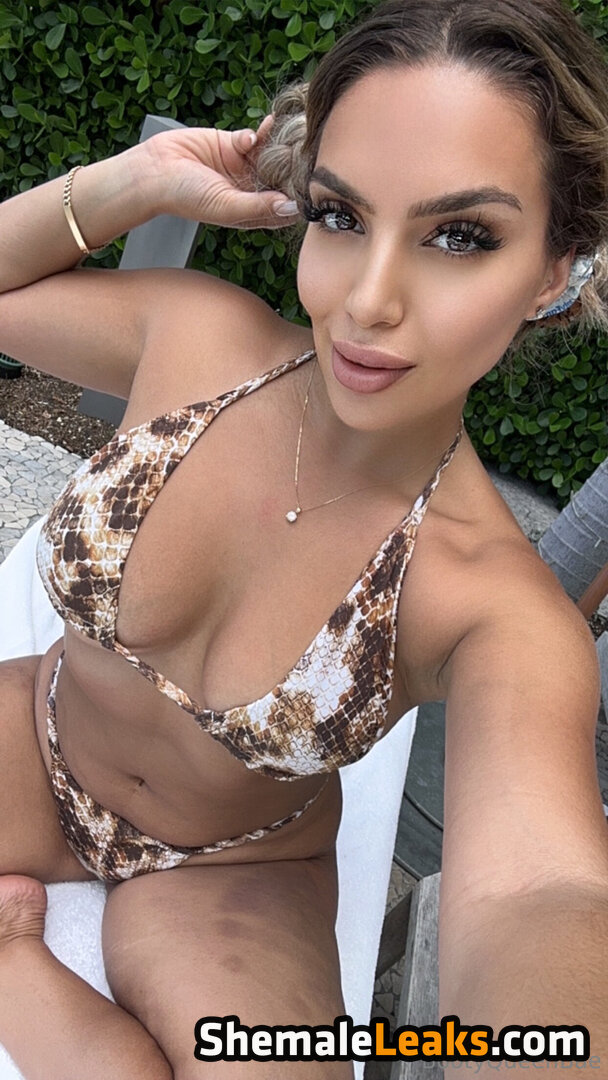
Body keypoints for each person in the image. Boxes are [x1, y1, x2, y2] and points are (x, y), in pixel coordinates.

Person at [0, 0, 606, 1075]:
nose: (367, 301)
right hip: (35, 746)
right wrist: (136, 182)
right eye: (340, 216)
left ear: (556, 271)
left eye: (459, 236)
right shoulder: (198, 339)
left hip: (235, 870)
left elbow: (538, 890)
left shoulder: (489, 604)